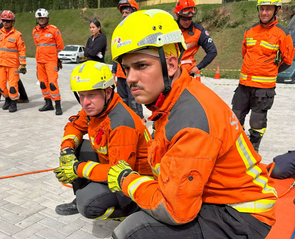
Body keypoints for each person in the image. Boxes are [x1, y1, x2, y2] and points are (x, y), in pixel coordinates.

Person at [107, 9, 277, 239]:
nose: (130, 78)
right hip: (224, 199)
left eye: (141, 66)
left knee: (134, 231)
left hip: (241, 216)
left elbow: (174, 211)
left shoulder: (190, 118)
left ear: (171, 65)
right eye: (126, 68)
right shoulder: (174, 99)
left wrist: (126, 180)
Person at [53, 61, 152, 220]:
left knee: (88, 205)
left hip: (132, 179)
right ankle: (83, 196)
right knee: (77, 150)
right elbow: (75, 126)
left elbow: (118, 172)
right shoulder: (97, 108)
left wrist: (78, 168)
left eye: (91, 95)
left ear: (107, 92)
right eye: (82, 95)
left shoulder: (121, 123)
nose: (85, 102)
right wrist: (67, 150)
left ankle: (130, 211)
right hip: (113, 166)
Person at [232, 0, 294, 152]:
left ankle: (254, 148)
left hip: (263, 89)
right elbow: (244, 54)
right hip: (244, 85)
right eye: (262, 9)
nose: (264, 13)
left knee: (257, 122)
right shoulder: (250, 30)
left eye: (268, 9)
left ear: (276, 10)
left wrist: (271, 71)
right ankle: (237, 146)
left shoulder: (282, 34)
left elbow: (288, 60)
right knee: (235, 116)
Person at [112, 0, 144, 120]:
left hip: (133, 72)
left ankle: (139, 122)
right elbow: (116, 52)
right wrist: (114, 70)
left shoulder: (140, 30)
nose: (124, 15)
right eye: (123, 12)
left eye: (127, 12)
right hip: (121, 73)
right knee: (122, 100)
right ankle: (126, 122)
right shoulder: (119, 31)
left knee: (134, 100)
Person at [0, 9, 29, 103]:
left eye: (8, 21)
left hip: (12, 65)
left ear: (13, 22)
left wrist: (23, 64)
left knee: (13, 86)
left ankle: (13, 103)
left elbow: (22, 51)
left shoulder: (17, 35)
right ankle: (7, 99)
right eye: (4, 20)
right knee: (0, 85)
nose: (5, 23)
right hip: (1, 64)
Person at [174, 0, 217, 78]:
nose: (187, 22)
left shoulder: (198, 31)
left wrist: (198, 67)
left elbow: (212, 51)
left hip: (187, 74)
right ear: (178, 15)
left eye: (190, 18)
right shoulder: (170, 28)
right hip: (169, 73)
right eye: (184, 18)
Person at [33, 8, 64, 115]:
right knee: (42, 83)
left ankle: (58, 105)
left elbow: (60, 46)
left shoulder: (54, 30)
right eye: (39, 18)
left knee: (52, 83)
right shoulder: (35, 30)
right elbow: (37, 45)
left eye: (43, 18)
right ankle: (48, 103)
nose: (41, 20)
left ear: (47, 18)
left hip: (51, 61)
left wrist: (57, 59)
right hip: (40, 61)